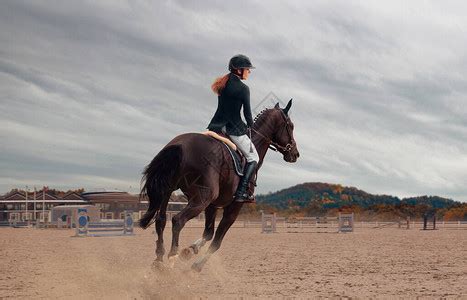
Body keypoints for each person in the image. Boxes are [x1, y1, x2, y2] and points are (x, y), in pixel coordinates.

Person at [207, 54, 259, 203]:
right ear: (239, 70)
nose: (249, 72)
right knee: (253, 157)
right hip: (233, 130)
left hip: (216, 126)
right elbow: (248, 114)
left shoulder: (222, 84)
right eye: (247, 69)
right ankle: (241, 192)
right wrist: (251, 126)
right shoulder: (243, 88)